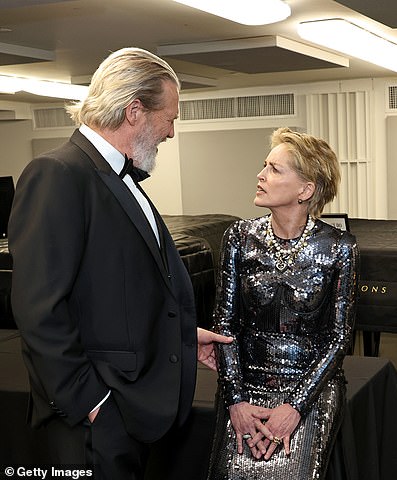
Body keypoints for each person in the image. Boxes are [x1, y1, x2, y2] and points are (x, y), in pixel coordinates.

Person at [8, 47, 232, 480]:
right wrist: (93, 405)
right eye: (169, 117)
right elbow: (40, 311)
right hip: (94, 422)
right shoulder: (56, 174)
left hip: (129, 413)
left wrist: (183, 335)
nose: (170, 132)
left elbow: (117, 291)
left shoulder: (117, 176)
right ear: (134, 111)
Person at [207, 127, 358, 479]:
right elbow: (224, 325)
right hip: (244, 386)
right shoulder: (239, 237)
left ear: (306, 190)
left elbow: (340, 338)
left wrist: (294, 407)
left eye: (275, 169)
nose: (260, 175)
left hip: (309, 390)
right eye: (265, 166)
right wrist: (236, 402)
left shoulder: (340, 247)